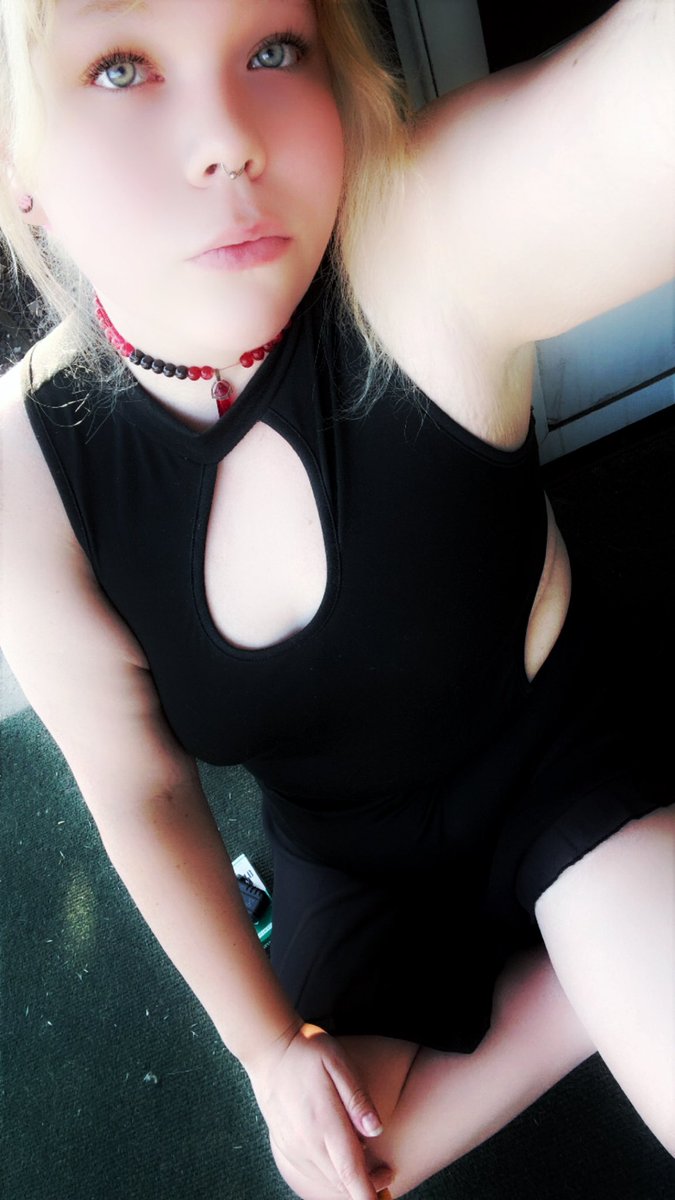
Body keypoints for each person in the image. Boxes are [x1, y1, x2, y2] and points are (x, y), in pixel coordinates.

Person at [0, 2, 673, 1197]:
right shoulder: (27, 476)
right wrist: (268, 1051)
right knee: (340, 1170)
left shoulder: (419, 246)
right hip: (347, 858)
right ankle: (589, 978)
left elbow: (633, 125)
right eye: (120, 65)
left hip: (563, 779)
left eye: (273, 49)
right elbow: (141, 788)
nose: (228, 137)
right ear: (20, 167)